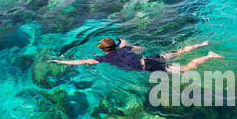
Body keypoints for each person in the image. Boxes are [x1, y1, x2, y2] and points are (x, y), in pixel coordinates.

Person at [47, 38, 223, 73]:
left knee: (185, 68)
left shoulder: (103, 58)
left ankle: (209, 55)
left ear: (102, 50)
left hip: (149, 67)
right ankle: (201, 44)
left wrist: (60, 61)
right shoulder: (124, 49)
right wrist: (125, 44)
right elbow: (142, 47)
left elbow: (81, 61)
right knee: (177, 52)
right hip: (149, 58)